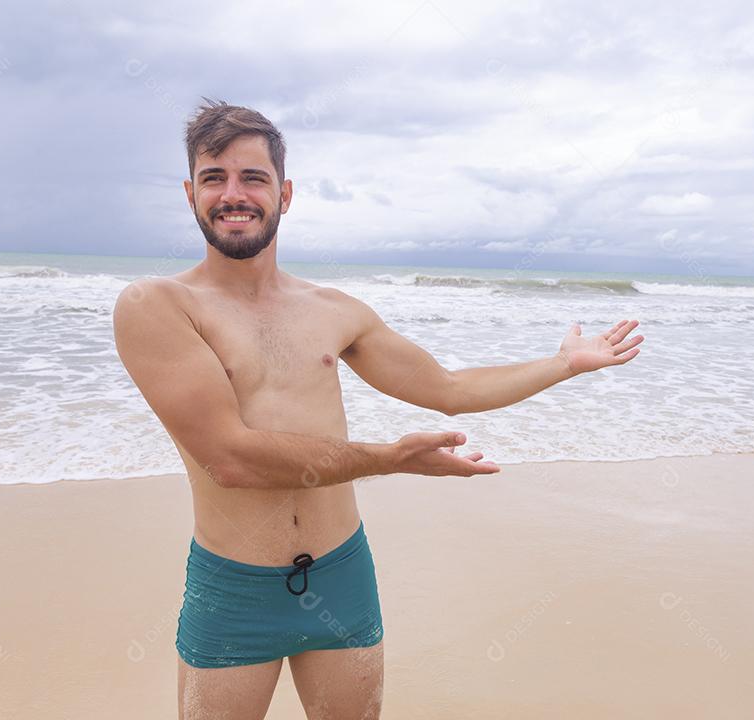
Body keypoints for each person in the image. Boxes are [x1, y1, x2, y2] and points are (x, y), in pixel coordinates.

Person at [112, 98, 644, 720]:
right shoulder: (157, 306)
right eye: (214, 178)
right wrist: (393, 459)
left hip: (342, 575)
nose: (234, 194)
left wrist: (562, 364)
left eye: (253, 177)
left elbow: (448, 387)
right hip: (234, 588)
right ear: (190, 193)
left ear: (284, 194)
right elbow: (230, 459)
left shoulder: (334, 310)